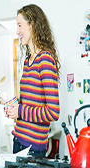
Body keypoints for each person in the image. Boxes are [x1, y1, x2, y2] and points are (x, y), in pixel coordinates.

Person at [5, 4, 60, 158]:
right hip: (19, 140)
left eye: (20, 25)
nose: (17, 31)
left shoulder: (45, 60)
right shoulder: (29, 60)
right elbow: (32, 100)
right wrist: (14, 106)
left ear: (32, 25)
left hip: (33, 148)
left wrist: (20, 111)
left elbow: (53, 112)